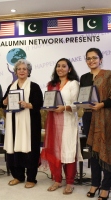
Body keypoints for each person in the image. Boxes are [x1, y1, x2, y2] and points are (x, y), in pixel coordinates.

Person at [40, 58, 83, 194]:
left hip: (68, 123)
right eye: (58, 66)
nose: (60, 68)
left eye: (64, 66)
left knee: (69, 152)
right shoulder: (51, 84)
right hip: (53, 124)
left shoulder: (73, 83)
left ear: (69, 69)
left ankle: (70, 182)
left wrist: (64, 107)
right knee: (55, 151)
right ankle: (57, 180)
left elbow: (77, 105)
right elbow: (48, 100)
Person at [82, 48, 111, 200]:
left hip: (106, 118)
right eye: (88, 58)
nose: (91, 61)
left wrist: (102, 104)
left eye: (94, 58)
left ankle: (105, 187)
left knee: (107, 152)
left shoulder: (109, 74)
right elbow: (83, 96)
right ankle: (95, 183)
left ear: (101, 59)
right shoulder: (84, 77)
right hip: (89, 118)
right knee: (94, 153)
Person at [2, 59, 43, 188]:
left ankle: (31, 178)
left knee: (31, 151)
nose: (21, 71)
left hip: (30, 124)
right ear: (15, 72)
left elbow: (39, 104)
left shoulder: (34, 86)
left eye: (24, 69)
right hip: (14, 122)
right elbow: (3, 102)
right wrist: (5, 101)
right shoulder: (11, 87)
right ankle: (18, 176)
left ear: (28, 71)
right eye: (19, 69)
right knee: (15, 149)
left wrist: (28, 104)